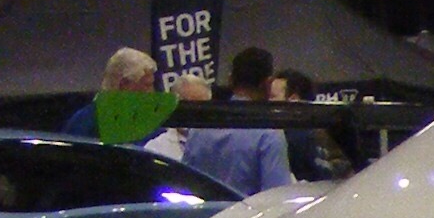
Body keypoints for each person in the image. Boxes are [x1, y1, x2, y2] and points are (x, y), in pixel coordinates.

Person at [180, 43, 291, 197]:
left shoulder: (200, 127)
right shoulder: (269, 134)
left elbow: (184, 182)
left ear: (231, 79)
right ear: (268, 83)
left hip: (203, 211)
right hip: (248, 212)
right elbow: (276, 196)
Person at [66, 46, 168, 142]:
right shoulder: (84, 124)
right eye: (147, 85)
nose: (152, 92)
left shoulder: (150, 122)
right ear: (124, 85)